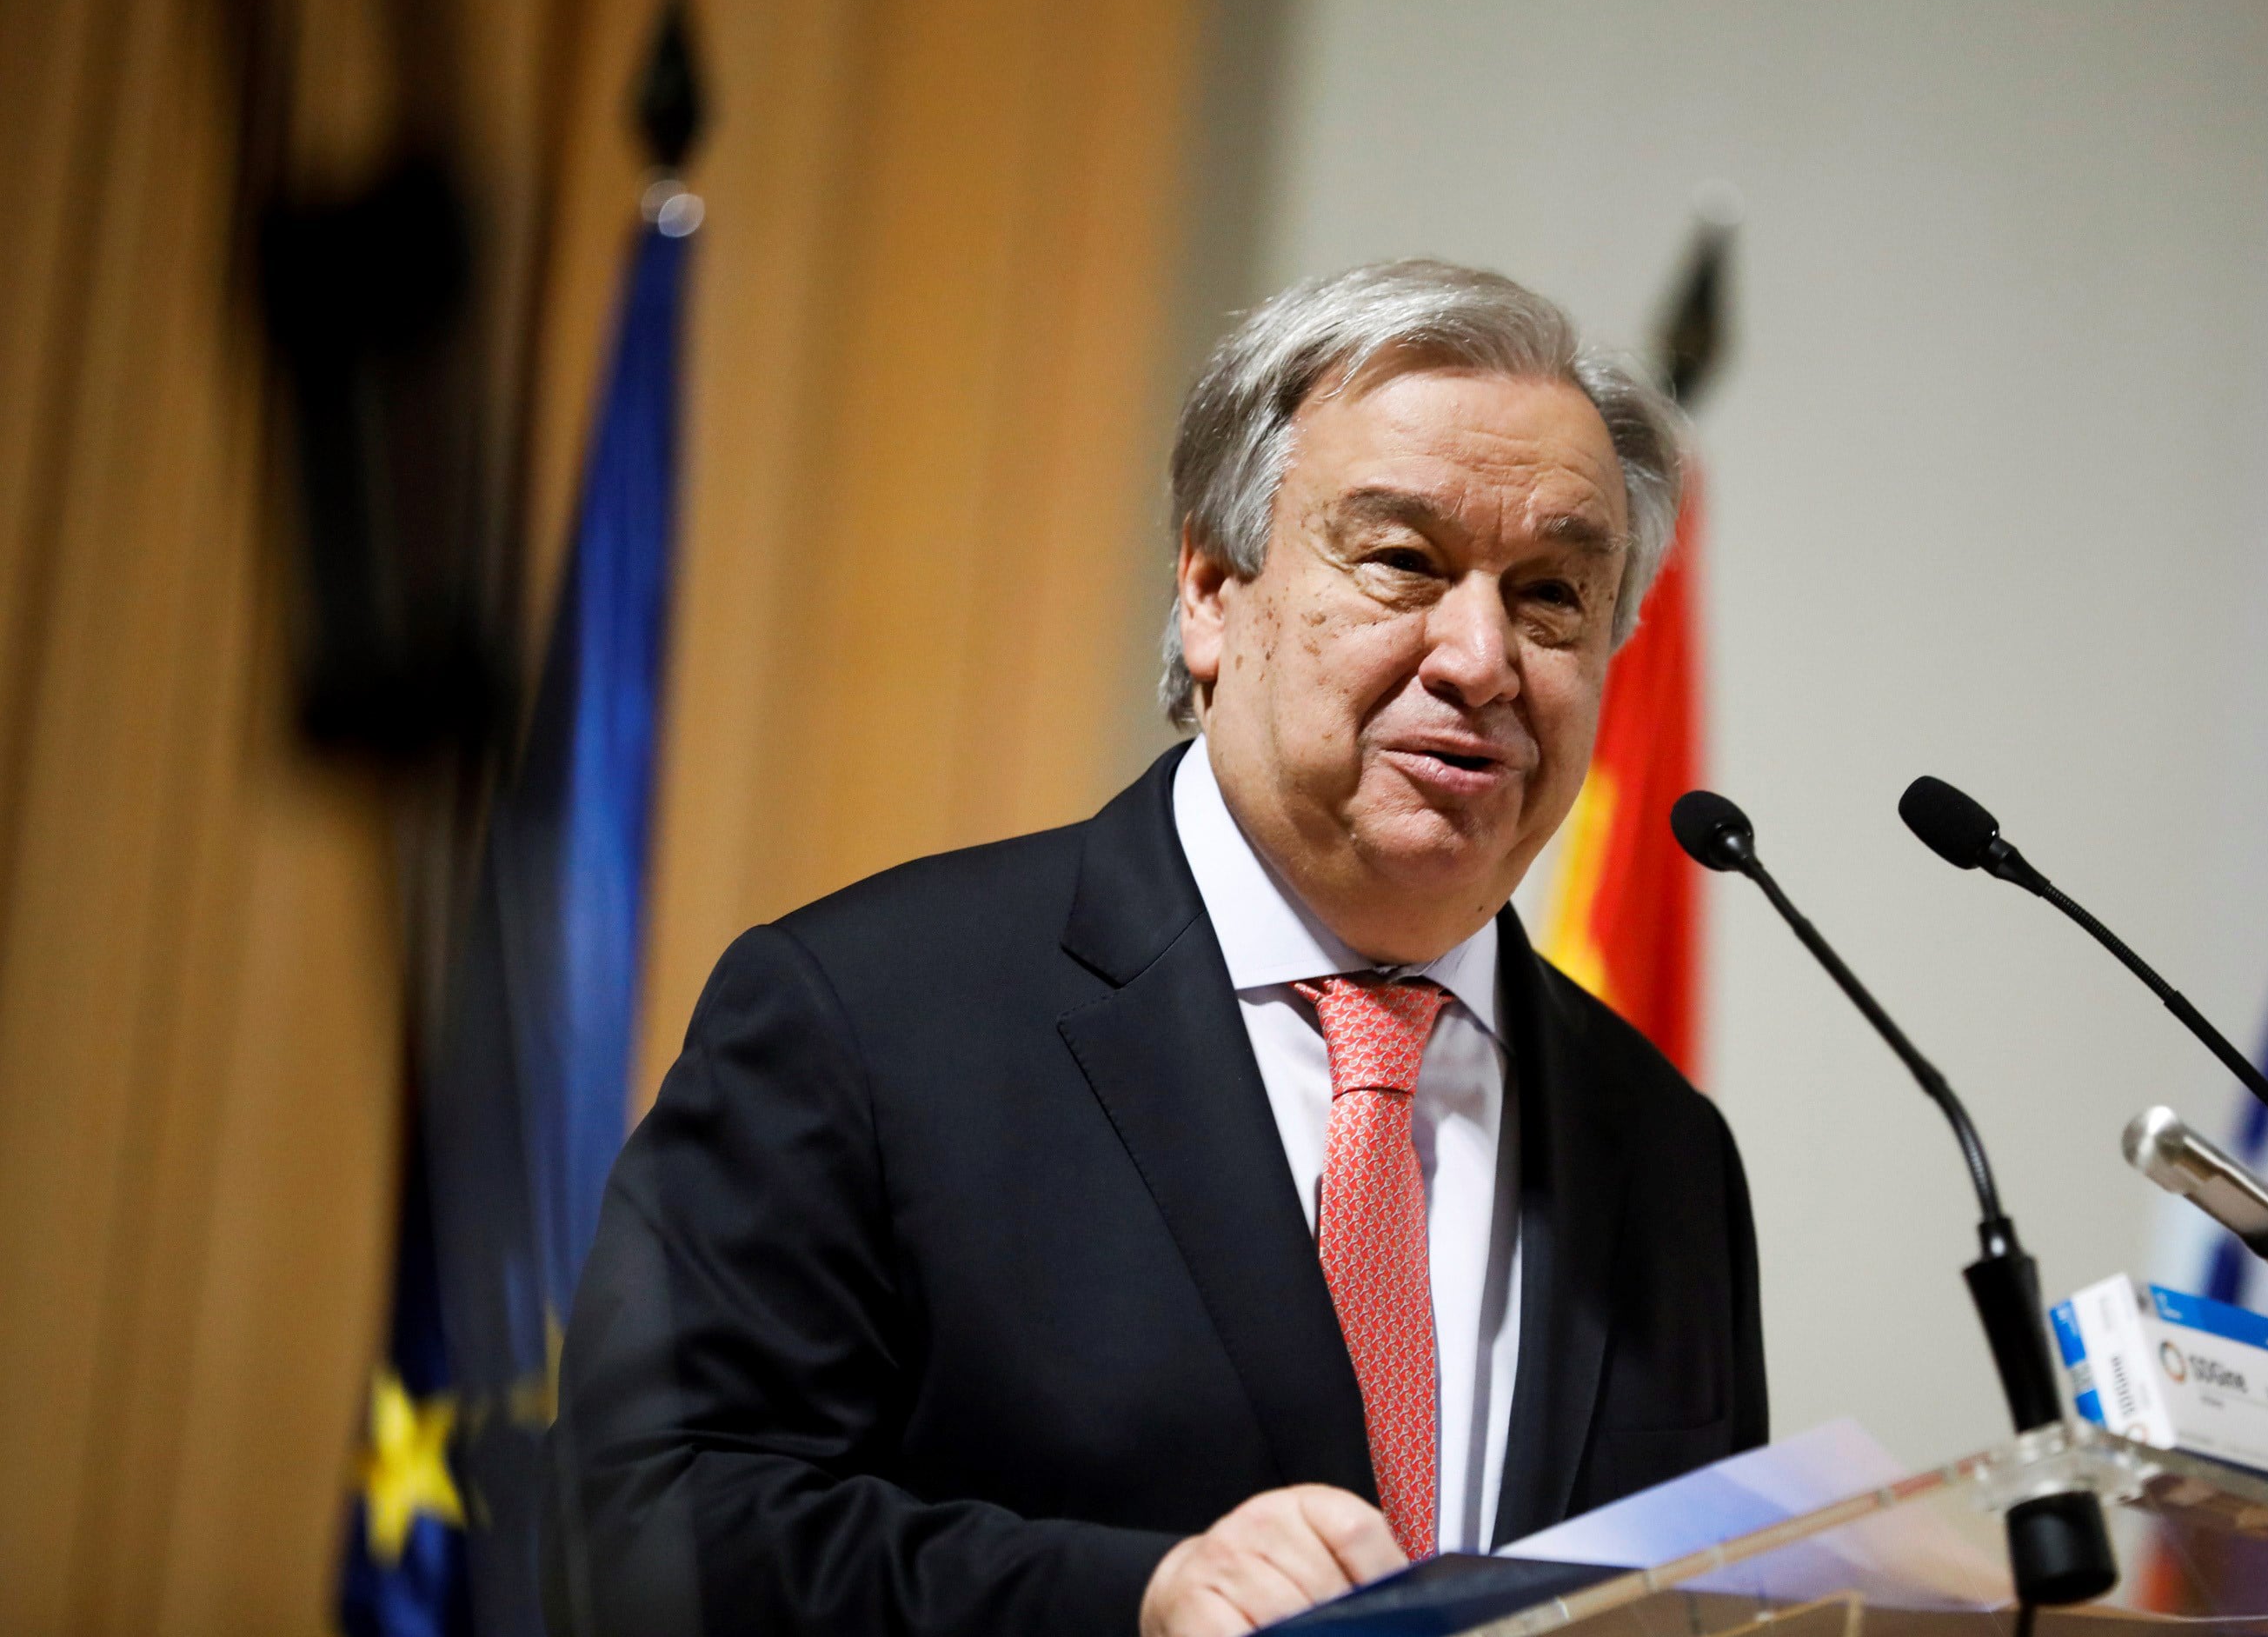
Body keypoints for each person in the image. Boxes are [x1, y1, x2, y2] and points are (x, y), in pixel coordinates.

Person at [551, 260, 1767, 1637]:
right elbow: (644, 1532)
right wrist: (1134, 1599)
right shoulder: (869, 1018)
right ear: (1208, 589)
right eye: (1403, 562)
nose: (1481, 658)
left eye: (1552, 595)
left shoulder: (1663, 1148)